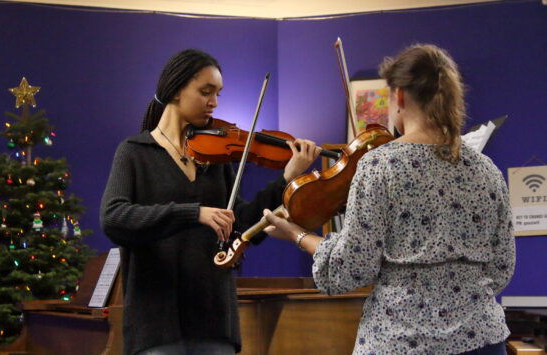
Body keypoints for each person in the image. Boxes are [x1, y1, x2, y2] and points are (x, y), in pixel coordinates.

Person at [263, 44, 515, 355]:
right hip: (481, 340)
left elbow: (350, 270)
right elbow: (502, 267)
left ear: (398, 97)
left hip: (401, 340)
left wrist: (298, 236)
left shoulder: (381, 165)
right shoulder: (485, 170)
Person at [100, 49, 321, 355]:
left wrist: (286, 179)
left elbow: (240, 225)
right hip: (156, 324)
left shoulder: (215, 158)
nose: (214, 103)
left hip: (214, 321)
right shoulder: (134, 152)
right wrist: (193, 214)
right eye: (205, 92)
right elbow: (114, 218)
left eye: (217, 93)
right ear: (176, 89)